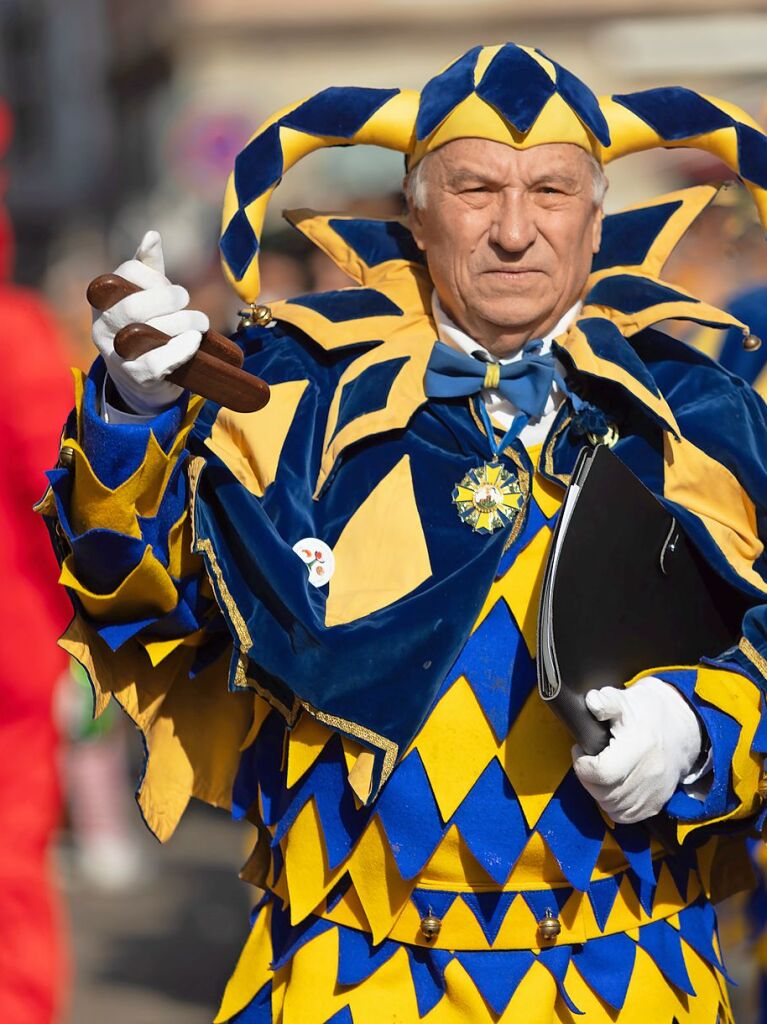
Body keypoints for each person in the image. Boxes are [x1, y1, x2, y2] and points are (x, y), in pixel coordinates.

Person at [40, 43, 767, 1023]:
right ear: (415, 216)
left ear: (593, 222)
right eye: (474, 188)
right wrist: (133, 414)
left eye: (550, 190)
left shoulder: (699, 417)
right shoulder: (287, 405)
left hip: (623, 977)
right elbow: (140, 600)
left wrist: (696, 727)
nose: (514, 230)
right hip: (350, 977)